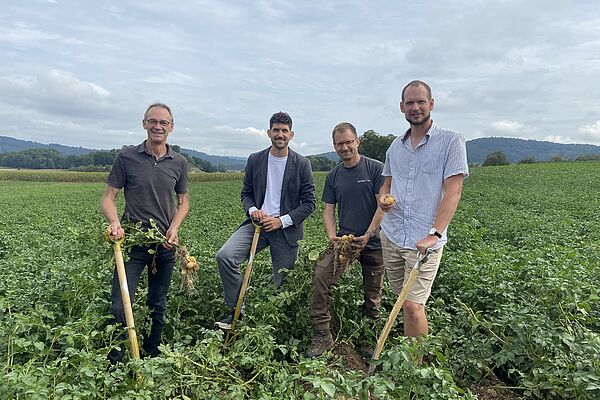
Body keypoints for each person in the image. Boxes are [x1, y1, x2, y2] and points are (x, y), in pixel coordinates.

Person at [378, 80, 468, 339]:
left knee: (413, 305)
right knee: (400, 301)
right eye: (410, 103)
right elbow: (386, 184)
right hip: (393, 235)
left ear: (431, 104)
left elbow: (454, 192)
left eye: (420, 102)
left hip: (424, 241)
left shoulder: (451, 141)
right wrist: (384, 198)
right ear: (401, 107)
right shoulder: (395, 147)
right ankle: (409, 350)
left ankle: (415, 369)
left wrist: (435, 234)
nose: (415, 107)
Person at [101, 103, 190, 363]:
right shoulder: (127, 157)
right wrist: (115, 222)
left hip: (164, 245)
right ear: (144, 124)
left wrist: (174, 228)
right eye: (153, 121)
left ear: (171, 127)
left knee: (157, 305)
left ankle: (151, 357)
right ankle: (115, 362)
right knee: (119, 306)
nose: (158, 126)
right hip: (132, 245)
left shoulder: (179, 162)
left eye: (164, 122)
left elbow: (184, 201)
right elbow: (108, 198)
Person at [215, 112, 316, 330]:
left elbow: (309, 203)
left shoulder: (302, 164)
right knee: (225, 256)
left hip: (285, 230)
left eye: (284, 131)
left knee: (283, 283)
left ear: (291, 134)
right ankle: (236, 312)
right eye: (276, 130)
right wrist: (253, 210)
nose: (280, 134)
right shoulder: (255, 160)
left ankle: (277, 327)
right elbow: (246, 193)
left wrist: (282, 221)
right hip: (257, 225)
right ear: (269, 132)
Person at [306, 122, 385, 358]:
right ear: (334, 146)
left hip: (373, 241)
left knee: (373, 292)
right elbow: (328, 211)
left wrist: (369, 233)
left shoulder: (375, 169)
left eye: (349, 142)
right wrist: (332, 236)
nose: (345, 147)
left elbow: (382, 206)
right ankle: (322, 333)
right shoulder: (334, 176)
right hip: (345, 242)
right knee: (322, 276)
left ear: (357, 141)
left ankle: (369, 337)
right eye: (340, 144)